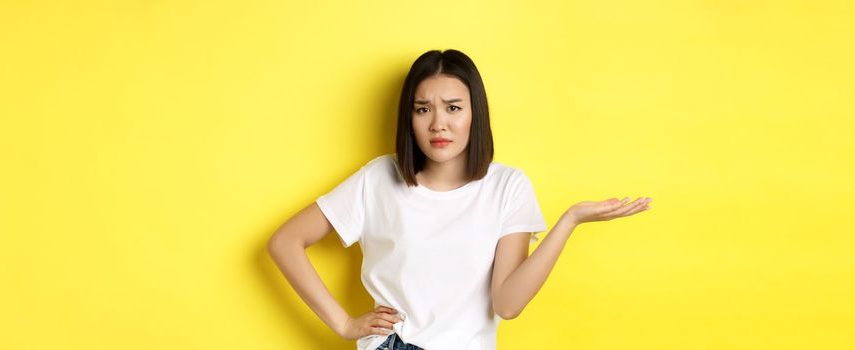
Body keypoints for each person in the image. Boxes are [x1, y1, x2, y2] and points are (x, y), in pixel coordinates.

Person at [267, 49, 652, 350]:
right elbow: (285, 242)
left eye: (453, 108)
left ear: (474, 113)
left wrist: (569, 221)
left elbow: (507, 304)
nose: (438, 123)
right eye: (423, 109)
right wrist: (344, 324)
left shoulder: (507, 187)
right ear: (409, 118)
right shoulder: (379, 178)